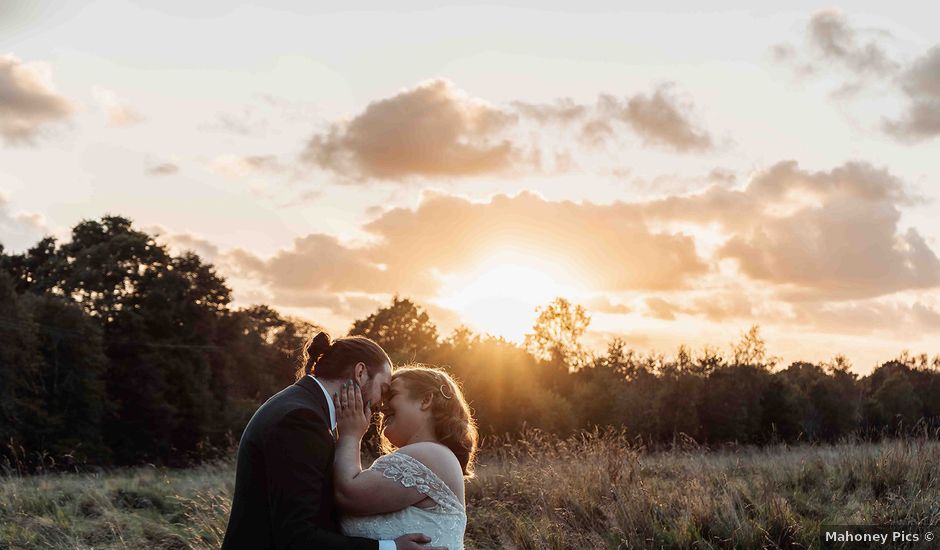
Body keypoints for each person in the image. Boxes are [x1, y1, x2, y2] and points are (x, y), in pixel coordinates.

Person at [220, 332, 444, 550]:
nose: (380, 404)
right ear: (360, 373)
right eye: (383, 390)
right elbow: (296, 537)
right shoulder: (300, 419)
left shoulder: (301, 406)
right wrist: (389, 548)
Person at [333, 365, 478, 550]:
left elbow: (347, 494)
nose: (381, 407)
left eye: (391, 395)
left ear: (426, 400)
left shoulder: (431, 454)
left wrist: (350, 434)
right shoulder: (429, 455)